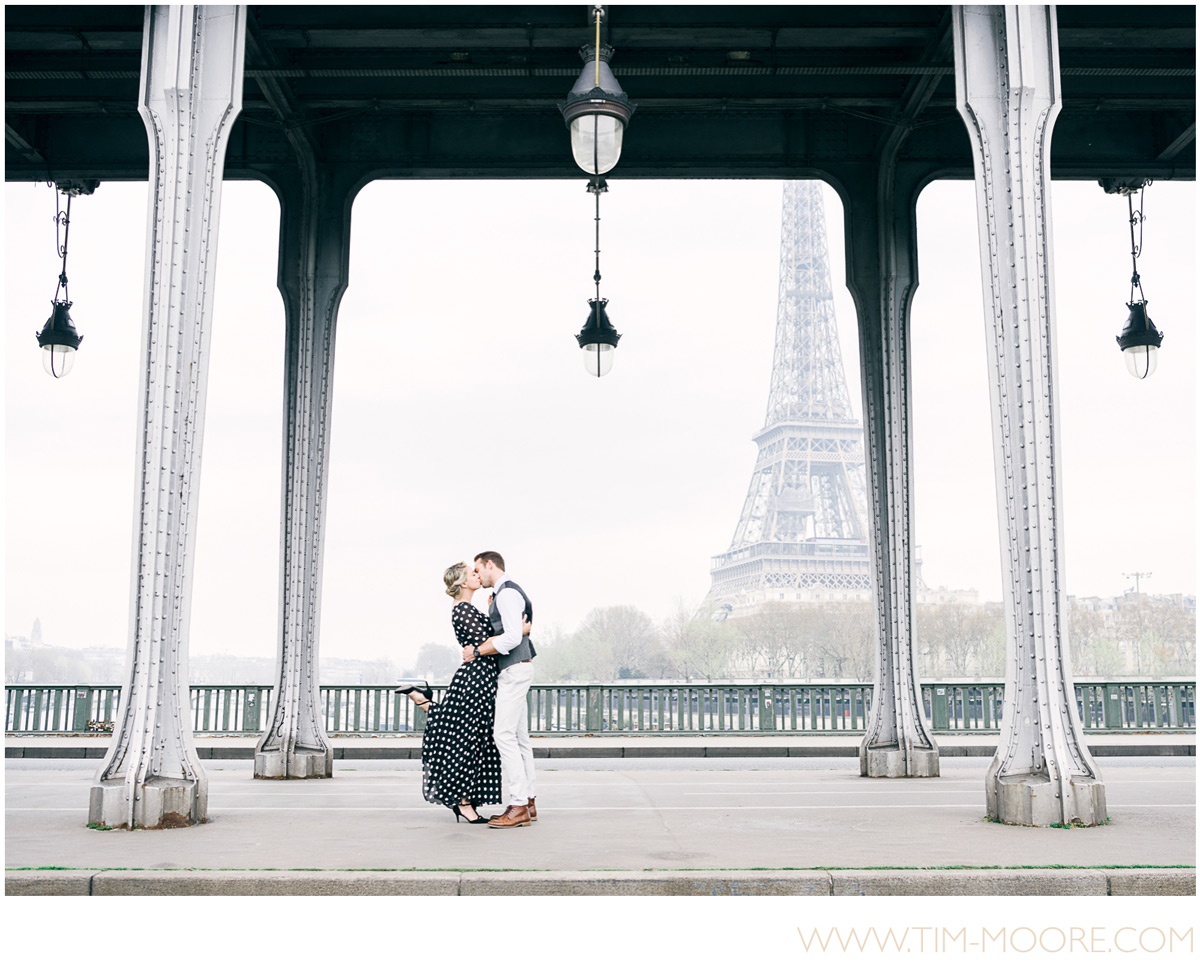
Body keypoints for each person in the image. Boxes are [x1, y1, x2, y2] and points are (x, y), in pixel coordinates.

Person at [397, 561, 529, 825]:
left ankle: (421, 699)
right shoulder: (463, 610)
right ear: (461, 583)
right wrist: (518, 630)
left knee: (466, 734)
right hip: (476, 679)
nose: (477, 576)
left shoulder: (468, 608)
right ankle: (463, 803)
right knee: (465, 739)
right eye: (472, 574)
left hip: (481, 677)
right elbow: (488, 642)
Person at [470, 550, 538, 828]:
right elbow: (516, 631)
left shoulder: (507, 594)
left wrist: (477, 651)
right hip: (519, 666)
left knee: (504, 735)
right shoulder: (506, 593)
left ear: (490, 565)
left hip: (512, 669)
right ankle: (529, 801)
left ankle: (519, 804)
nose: (477, 575)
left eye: (478, 569)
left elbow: (511, 636)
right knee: (520, 739)